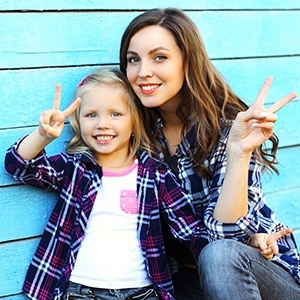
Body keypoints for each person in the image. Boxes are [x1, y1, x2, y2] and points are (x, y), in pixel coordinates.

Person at [119, 8, 300, 300]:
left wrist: (239, 152)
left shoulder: (230, 127)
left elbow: (225, 239)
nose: (143, 72)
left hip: (262, 276)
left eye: (160, 57)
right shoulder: (140, 137)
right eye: (133, 60)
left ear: (187, 62)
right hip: (190, 281)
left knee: (219, 256)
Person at [4, 67, 208, 300]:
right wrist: (43, 136)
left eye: (115, 114)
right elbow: (19, 166)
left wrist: (246, 243)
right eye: (91, 115)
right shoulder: (75, 168)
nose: (102, 124)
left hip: (142, 292)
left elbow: (191, 231)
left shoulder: (156, 175)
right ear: (78, 122)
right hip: (80, 291)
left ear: (135, 122)